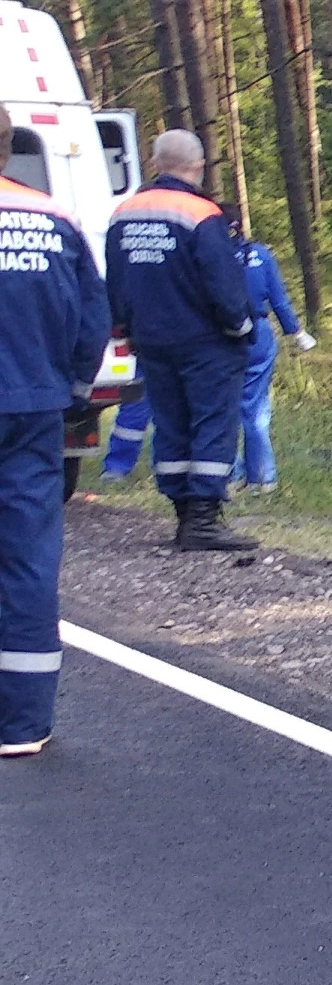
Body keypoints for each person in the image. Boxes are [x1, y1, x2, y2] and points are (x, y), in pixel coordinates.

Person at [0, 105, 110, 756]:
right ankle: (22, 725)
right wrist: (72, 391)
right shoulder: (54, 217)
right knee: (28, 559)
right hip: (34, 412)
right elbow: (91, 313)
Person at [104, 129, 258, 551]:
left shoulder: (124, 213)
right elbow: (222, 283)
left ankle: (183, 517)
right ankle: (204, 521)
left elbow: (115, 279)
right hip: (204, 342)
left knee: (170, 424)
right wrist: (242, 328)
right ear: (199, 167)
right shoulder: (202, 214)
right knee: (211, 423)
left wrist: (123, 328)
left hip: (151, 341)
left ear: (155, 163)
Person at [226, 213, 316, 493]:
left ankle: (231, 475)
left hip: (222, 336)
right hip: (259, 334)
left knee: (221, 407)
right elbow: (279, 298)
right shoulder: (261, 254)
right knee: (254, 408)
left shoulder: (209, 257)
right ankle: (263, 478)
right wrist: (297, 333)